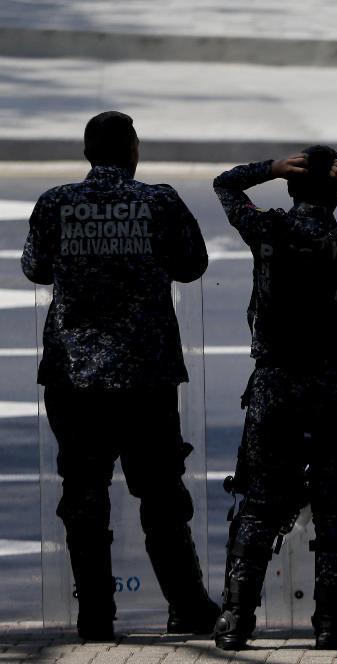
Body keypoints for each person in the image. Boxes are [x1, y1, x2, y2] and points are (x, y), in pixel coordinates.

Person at [211, 146, 337, 650]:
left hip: (276, 383)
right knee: (335, 510)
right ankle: (331, 624)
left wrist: (269, 167)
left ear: (291, 185)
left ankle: (236, 621)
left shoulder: (268, 230)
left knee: (259, 506)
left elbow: (225, 184)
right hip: (335, 386)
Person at [22, 111, 216, 640]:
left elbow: (35, 268)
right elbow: (192, 264)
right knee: (161, 495)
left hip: (74, 376)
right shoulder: (158, 201)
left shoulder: (56, 203)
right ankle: (189, 609)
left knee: (84, 496)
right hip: (145, 379)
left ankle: (96, 618)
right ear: (131, 149)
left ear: (88, 152)